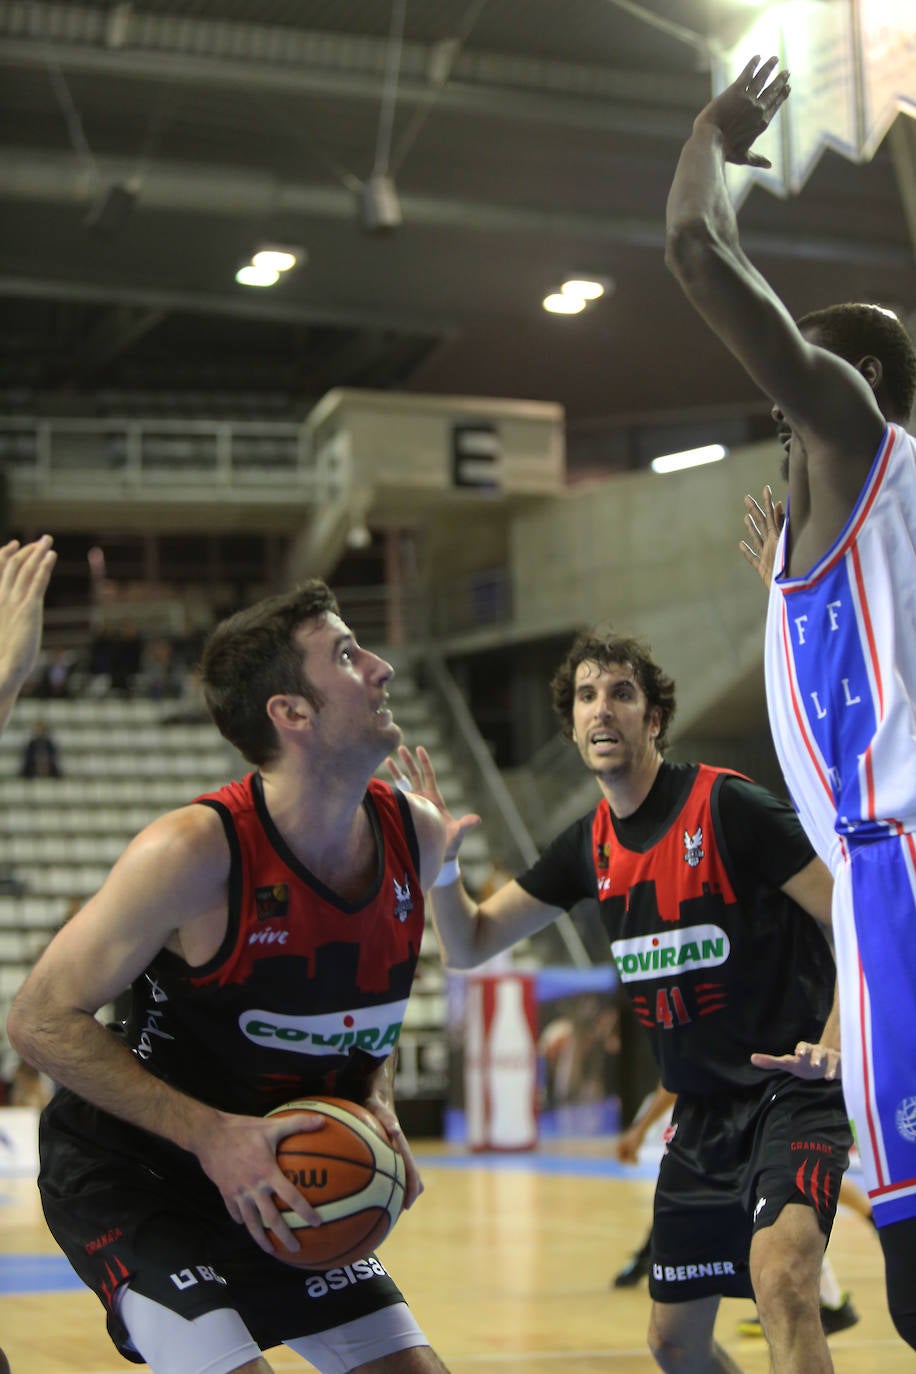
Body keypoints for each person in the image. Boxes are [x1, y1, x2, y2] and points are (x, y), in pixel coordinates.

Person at [7, 579, 454, 1374]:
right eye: (349, 655)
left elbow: (366, 1010)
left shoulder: (416, 836)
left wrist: (375, 1095)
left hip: (277, 1172)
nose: (383, 667)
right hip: (139, 1170)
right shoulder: (194, 853)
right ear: (292, 713)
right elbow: (38, 1019)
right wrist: (212, 1137)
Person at [390, 631, 849, 1373]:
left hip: (788, 1092)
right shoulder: (586, 847)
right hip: (699, 1114)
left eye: (622, 692)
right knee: (674, 1344)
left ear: (654, 718)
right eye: (585, 695)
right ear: (572, 727)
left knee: (784, 1279)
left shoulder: (731, 807)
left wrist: (834, 1038)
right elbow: (470, 942)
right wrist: (441, 866)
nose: (602, 708)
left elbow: (853, 914)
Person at [664, 53, 916, 1349]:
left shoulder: (858, 435)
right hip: (883, 886)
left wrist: (715, 133)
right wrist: (787, 575)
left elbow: (697, 254)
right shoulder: (869, 524)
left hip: (903, 875)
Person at [613, 1081, 861, 1337]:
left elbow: (672, 1081)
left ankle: (821, 1302)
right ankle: (826, 1301)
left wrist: (640, 1128)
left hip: (748, 1118)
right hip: (739, 1118)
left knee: (774, 1210)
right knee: (773, 1209)